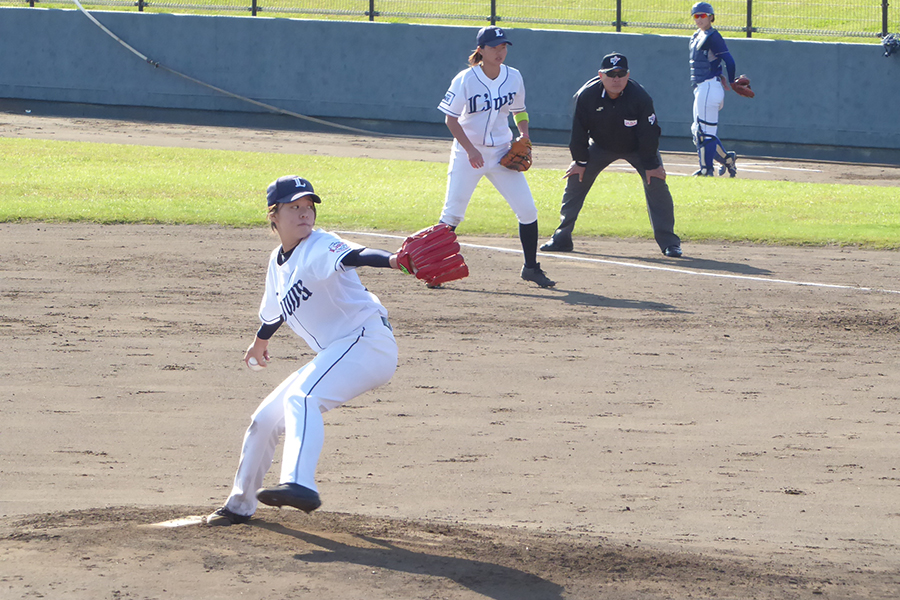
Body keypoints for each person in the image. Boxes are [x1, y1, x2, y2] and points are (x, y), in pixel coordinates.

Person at [206, 175, 401, 526]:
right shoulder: (277, 261)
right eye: (294, 207)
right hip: (341, 350)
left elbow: (356, 256)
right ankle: (238, 506)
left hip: (366, 342)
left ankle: (300, 484)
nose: (304, 214)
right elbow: (275, 308)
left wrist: (393, 261)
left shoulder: (320, 244)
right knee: (265, 420)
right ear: (273, 215)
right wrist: (261, 340)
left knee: (302, 398)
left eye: (308, 207)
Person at [437, 25, 555, 288]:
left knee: (528, 211)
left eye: (503, 47)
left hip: (502, 153)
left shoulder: (513, 77)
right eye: (494, 47)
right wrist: (469, 149)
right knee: (452, 214)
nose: (500, 52)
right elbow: (451, 119)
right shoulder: (465, 79)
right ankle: (437, 269)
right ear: (481, 50)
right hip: (469, 155)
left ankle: (531, 268)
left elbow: (519, 111)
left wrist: (523, 135)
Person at [540, 52, 683, 258]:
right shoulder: (586, 96)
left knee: (656, 183)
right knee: (576, 178)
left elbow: (649, 134)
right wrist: (580, 161)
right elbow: (578, 133)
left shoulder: (640, 97)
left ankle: (670, 243)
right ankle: (561, 237)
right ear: (600, 75)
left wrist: (652, 165)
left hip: (637, 148)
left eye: (621, 74)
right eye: (611, 74)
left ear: (627, 75)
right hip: (601, 146)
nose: (616, 79)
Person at [690, 1, 739, 177]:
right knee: (698, 131)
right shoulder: (697, 35)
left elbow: (729, 61)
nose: (699, 19)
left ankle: (706, 170)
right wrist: (720, 75)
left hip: (709, 87)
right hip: (704, 86)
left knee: (704, 134)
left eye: (703, 15)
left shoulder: (713, 36)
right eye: (696, 16)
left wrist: (732, 81)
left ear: (711, 17)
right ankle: (727, 159)